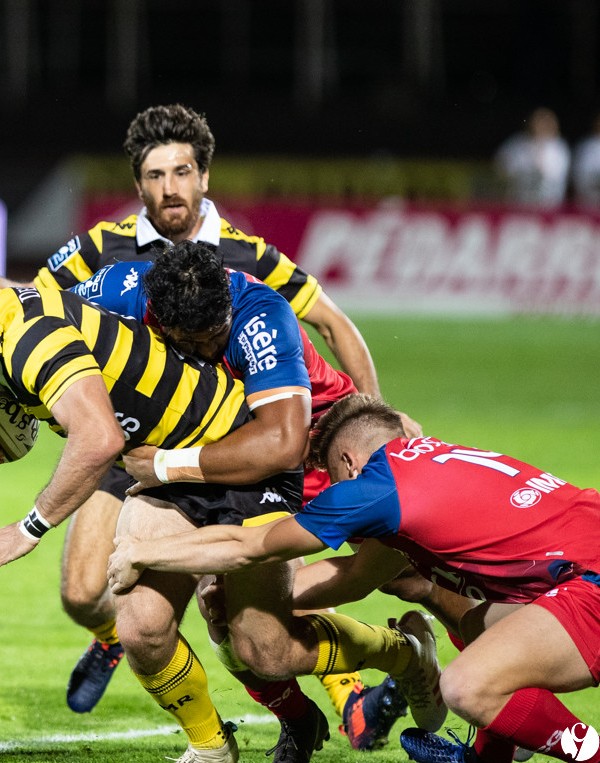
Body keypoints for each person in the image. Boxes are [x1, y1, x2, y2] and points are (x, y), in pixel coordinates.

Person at [0, 232, 444, 763]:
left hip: (263, 451)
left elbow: (275, 440)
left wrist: (29, 527)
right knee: (140, 623)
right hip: (161, 457)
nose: (205, 353)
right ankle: (216, 743)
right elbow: (30, 366)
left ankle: (409, 654)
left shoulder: (259, 313)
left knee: (271, 643)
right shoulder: (102, 291)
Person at [32, 104, 419, 720]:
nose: (170, 188)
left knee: (263, 580)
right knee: (83, 593)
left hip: (233, 442)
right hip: (131, 436)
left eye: (182, 171)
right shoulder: (100, 251)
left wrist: (374, 424)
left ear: (204, 177)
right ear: (138, 185)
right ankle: (111, 639)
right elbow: (32, 316)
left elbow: (332, 323)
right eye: (155, 176)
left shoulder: (248, 256)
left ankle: (341, 689)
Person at [107, 393, 600, 763]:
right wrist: (272, 604)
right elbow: (354, 578)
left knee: (466, 687)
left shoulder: (375, 489)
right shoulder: (431, 460)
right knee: (477, 629)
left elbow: (252, 545)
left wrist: (145, 552)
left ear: (346, 459)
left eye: (331, 475)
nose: (332, 487)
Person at [69, 243, 412, 754]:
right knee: (223, 619)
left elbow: (284, 437)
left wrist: (378, 417)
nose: (207, 352)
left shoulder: (257, 300)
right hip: (211, 450)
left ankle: (467, 683)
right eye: (193, 342)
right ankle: (293, 722)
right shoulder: (119, 282)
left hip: (315, 445)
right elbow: (39, 318)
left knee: (418, 572)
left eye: (214, 339)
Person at [494, 107, 570, 208]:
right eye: (538, 121)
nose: (540, 125)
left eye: (545, 121)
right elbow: (502, 168)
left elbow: (556, 175)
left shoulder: (559, 148)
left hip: (548, 204)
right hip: (519, 203)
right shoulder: (515, 144)